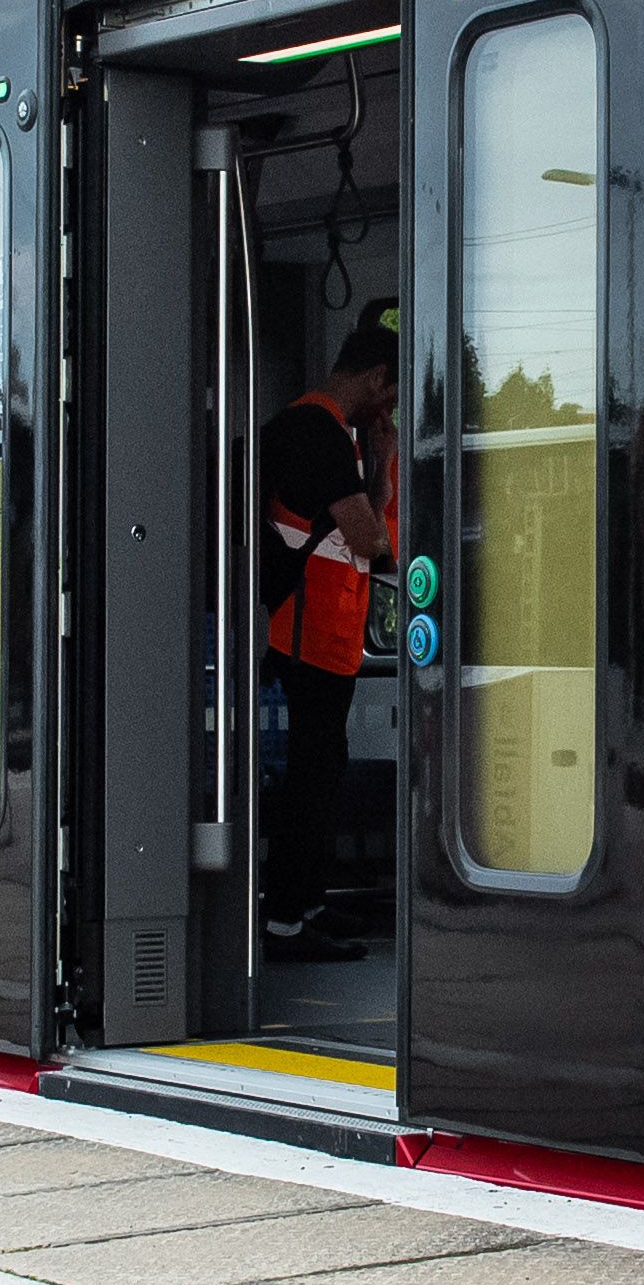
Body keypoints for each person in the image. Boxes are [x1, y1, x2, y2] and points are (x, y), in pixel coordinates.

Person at [261, 320, 398, 959]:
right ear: (374, 379)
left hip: (325, 630)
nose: (388, 409)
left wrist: (380, 459)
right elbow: (370, 538)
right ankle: (286, 920)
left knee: (324, 768)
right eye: (390, 395)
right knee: (312, 776)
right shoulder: (315, 431)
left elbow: (364, 524)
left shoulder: (328, 431)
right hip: (306, 628)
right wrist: (382, 474)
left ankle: (307, 906)